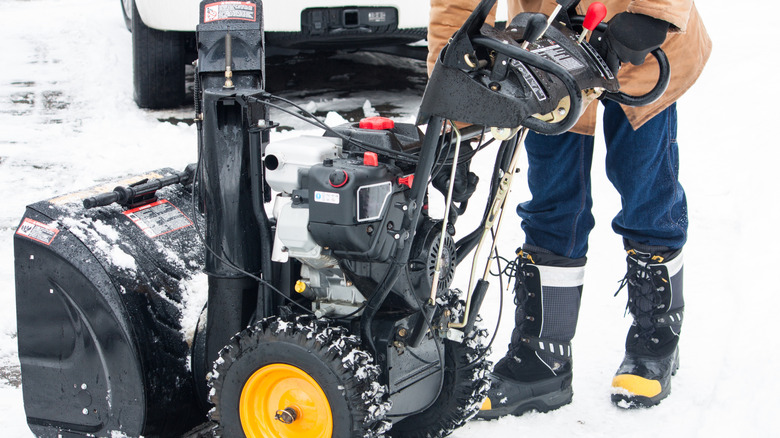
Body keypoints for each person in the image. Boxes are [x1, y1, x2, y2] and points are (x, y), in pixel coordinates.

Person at [427, 0, 711, 416]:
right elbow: (456, 7)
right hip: (550, 55)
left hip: (641, 47)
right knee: (552, 201)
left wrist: (653, 13)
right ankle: (543, 357)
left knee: (646, 192)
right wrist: (453, 117)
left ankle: (657, 339)